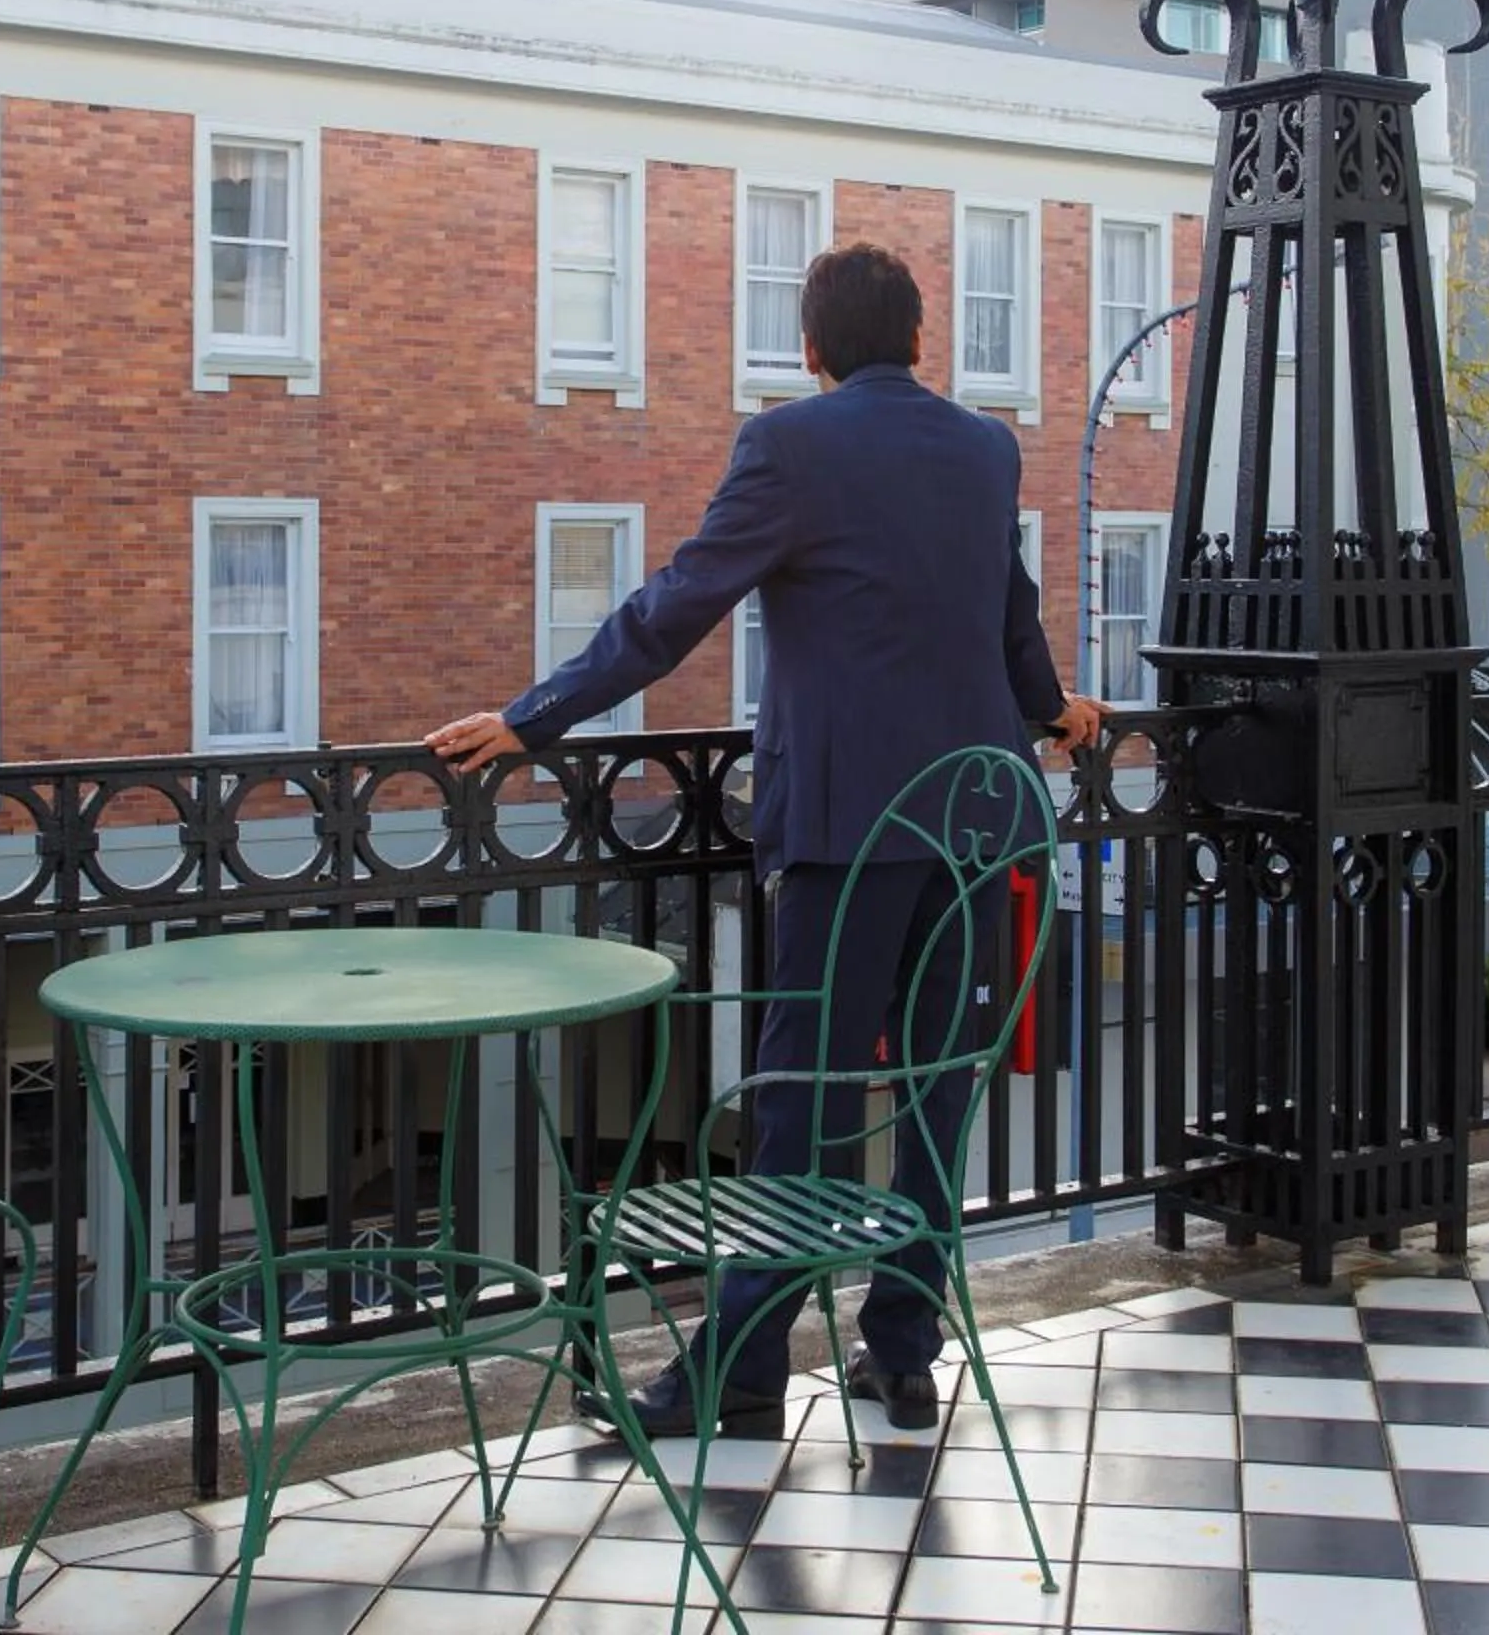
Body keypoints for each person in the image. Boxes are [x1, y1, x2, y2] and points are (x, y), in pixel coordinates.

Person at [426, 240, 1107, 1438]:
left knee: (805, 1106)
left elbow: (674, 609)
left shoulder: (789, 445)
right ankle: (902, 1350)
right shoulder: (986, 446)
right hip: (980, 817)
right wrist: (1053, 708)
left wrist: (532, 719)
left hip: (846, 832)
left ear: (811, 349)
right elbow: (1011, 611)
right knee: (940, 1097)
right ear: (916, 340)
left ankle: (741, 1372)